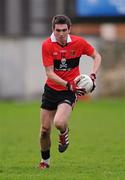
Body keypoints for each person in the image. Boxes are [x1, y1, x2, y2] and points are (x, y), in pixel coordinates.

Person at [38, 14, 101, 169]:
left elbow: (96, 56)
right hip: (52, 89)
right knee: (45, 130)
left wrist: (92, 75)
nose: (61, 34)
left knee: (59, 122)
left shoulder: (78, 43)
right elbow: (50, 73)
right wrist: (68, 84)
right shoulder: (47, 45)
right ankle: (45, 162)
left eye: (64, 30)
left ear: (69, 29)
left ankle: (63, 133)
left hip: (69, 91)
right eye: (58, 30)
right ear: (53, 29)